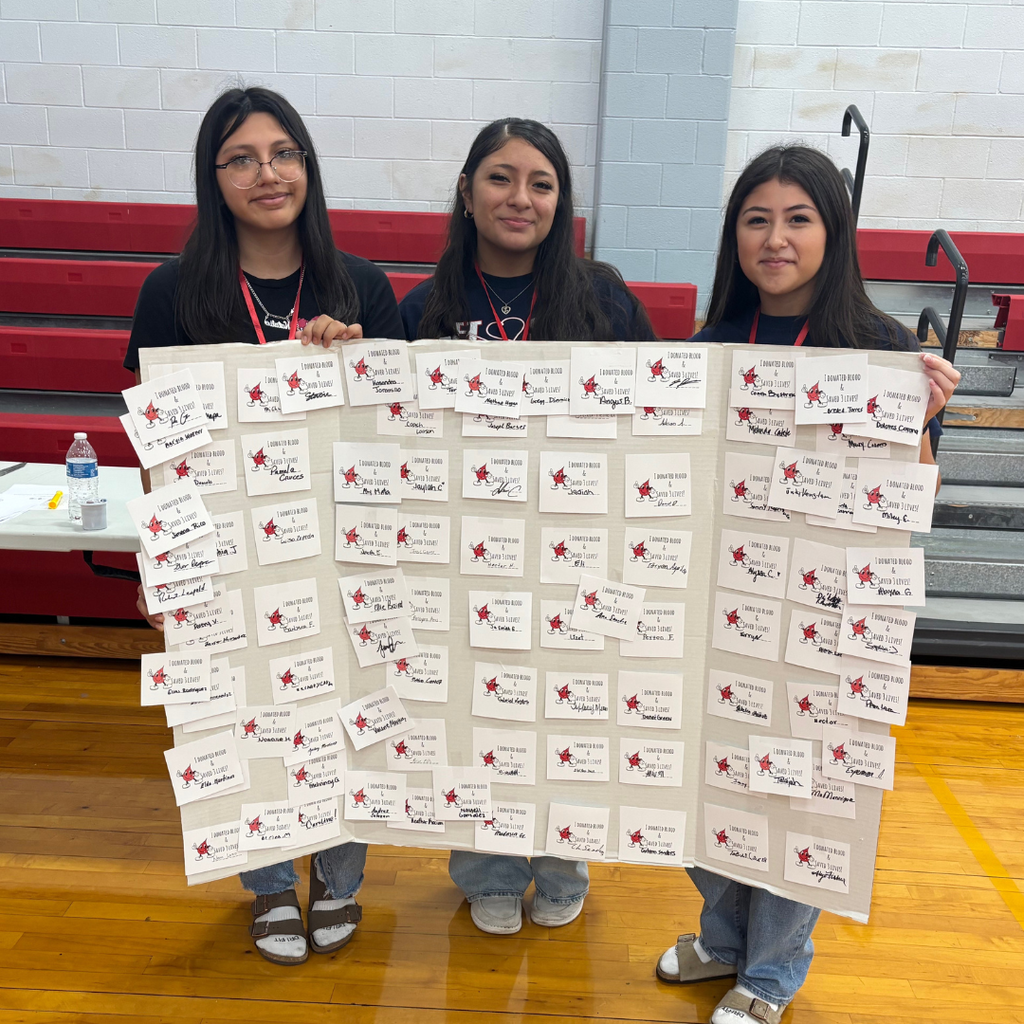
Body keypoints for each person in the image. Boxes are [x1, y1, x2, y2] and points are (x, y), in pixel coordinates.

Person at [656, 145, 960, 1024]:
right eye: (757, 219)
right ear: (733, 237)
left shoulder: (880, 351)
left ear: (835, 233)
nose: (776, 238)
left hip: (827, 624)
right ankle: (722, 938)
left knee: (800, 799)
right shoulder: (709, 348)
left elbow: (918, 495)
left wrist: (921, 419)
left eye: (799, 219)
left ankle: (772, 974)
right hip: (715, 611)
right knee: (708, 785)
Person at [126, 86, 404, 967]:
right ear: (214, 179)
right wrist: (157, 558)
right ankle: (272, 886)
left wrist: (357, 360)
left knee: (349, 706)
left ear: (308, 167)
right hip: (227, 550)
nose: (267, 173)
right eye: (241, 158)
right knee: (246, 708)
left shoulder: (360, 285)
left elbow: (397, 428)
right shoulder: (172, 291)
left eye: (285, 153)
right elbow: (153, 445)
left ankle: (343, 878)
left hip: (343, 541)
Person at [400, 117, 655, 936]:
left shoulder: (605, 296)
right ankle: (486, 868)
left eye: (540, 183)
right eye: (501, 178)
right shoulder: (424, 304)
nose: (520, 197)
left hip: (577, 549)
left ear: (561, 200)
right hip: (463, 553)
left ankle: (562, 857)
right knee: (477, 716)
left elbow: (658, 414)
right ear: (467, 193)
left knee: (569, 711)